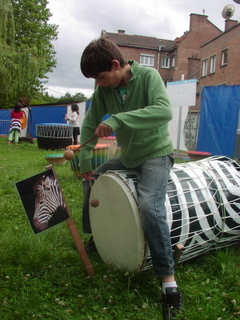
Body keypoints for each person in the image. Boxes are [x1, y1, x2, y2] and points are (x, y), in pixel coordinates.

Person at [79, 37, 183, 320]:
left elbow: (163, 112)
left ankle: (169, 283)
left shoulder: (149, 76)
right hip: (128, 157)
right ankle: (93, 236)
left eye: (101, 77)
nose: (99, 84)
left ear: (115, 65)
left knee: (150, 206)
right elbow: (90, 121)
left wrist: (119, 120)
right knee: (92, 181)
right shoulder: (103, 88)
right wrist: (86, 154)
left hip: (156, 155)